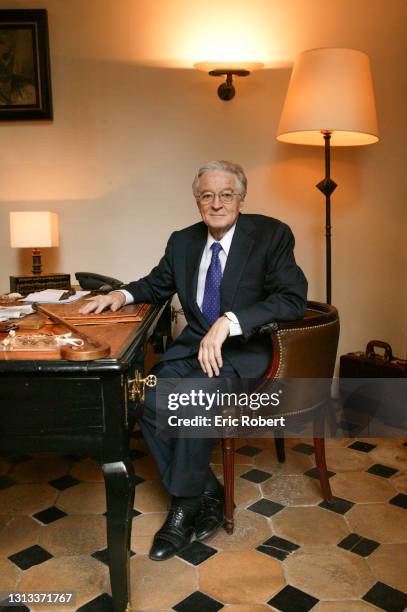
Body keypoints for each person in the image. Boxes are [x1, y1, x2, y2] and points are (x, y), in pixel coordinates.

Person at [80, 160, 307, 560]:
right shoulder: (182, 241)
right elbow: (156, 283)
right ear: (196, 200)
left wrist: (230, 321)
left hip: (245, 353)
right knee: (143, 397)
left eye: (226, 194)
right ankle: (209, 492)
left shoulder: (271, 235)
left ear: (241, 198)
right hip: (192, 349)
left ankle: (184, 507)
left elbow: (292, 299)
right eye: (207, 195)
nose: (217, 203)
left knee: (191, 399)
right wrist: (121, 295)